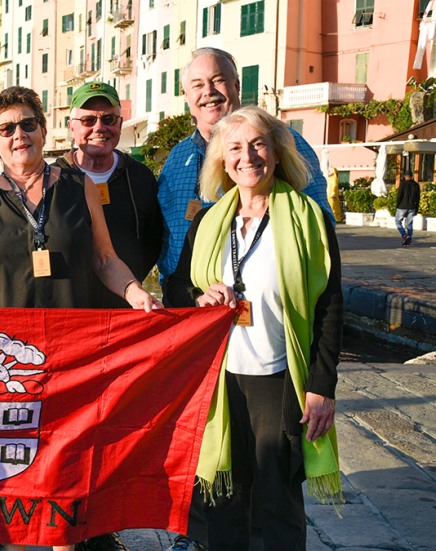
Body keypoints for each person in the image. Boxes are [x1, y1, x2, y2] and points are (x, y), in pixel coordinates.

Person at [0, 86, 160, 551]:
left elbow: (105, 259)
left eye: (28, 124)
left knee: (67, 481)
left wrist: (134, 292)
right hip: (5, 368)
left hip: (72, 361)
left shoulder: (78, 186)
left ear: (45, 130)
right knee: (11, 481)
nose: (19, 135)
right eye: (6, 129)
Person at [163, 107, 342, 551]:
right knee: (224, 500)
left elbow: (331, 306)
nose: (249, 156)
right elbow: (179, 289)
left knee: (278, 501)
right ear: (222, 160)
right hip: (220, 381)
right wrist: (199, 298)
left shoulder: (309, 219)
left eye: (258, 144)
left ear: (277, 153)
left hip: (280, 379)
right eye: (236, 148)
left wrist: (322, 388)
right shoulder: (207, 223)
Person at [157, 47, 333, 286]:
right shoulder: (177, 158)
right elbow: (163, 234)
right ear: (187, 96)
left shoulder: (281, 143)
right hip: (186, 303)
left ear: (237, 86)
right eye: (197, 85)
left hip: (264, 301)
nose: (208, 92)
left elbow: (319, 226)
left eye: (218, 80)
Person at [54, 81, 163, 310]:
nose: (99, 127)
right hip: (70, 315)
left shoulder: (140, 178)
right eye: (88, 120)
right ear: (71, 127)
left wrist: (132, 285)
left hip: (127, 310)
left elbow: (154, 241)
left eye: (108, 119)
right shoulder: (54, 179)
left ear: (120, 124)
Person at [395, 176, 421, 246]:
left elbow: (399, 195)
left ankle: (405, 235)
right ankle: (409, 239)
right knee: (409, 224)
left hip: (402, 206)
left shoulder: (403, 184)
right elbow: (418, 197)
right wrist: (416, 208)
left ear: (405, 176)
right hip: (412, 206)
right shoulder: (416, 185)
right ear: (411, 176)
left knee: (398, 221)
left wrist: (397, 205)